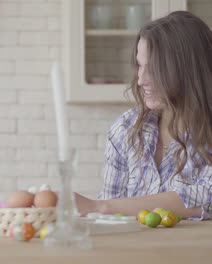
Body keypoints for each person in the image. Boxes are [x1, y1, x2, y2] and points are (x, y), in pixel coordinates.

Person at [75, 11, 212, 220]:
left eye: (155, 68)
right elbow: (109, 221)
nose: (141, 80)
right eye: (140, 66)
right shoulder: (125, 129)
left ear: (188, 70)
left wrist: (100, 206)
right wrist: (100, 210)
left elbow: (206, 198)